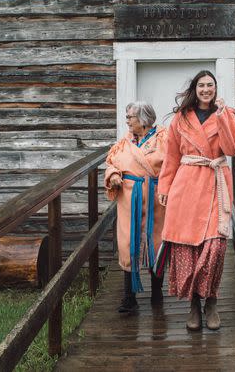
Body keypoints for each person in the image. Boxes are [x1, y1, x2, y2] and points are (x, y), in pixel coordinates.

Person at [157, 70, 235, 331]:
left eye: (211, 85)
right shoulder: (180, 118)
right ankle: (194, 304)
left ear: (216, 89)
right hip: (186, 186)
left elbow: (233, 149)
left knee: (216, 247)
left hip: (215, 183)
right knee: (188, 249)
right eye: (202, 85)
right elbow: (171, 155)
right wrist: (165, 186)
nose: (206, 89)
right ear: (195, 89)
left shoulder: (225, 114)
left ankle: (212, 301)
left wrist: (223, 117)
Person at [104, 101, 167, 313]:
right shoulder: (125, 142)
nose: (127, 120)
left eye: (130, 117)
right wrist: (113, 175)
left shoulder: (163, 139)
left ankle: (157, 293)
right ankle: (129, 298)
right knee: (127, 242)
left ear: (143, 119)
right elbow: (111, 162)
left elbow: (172, 165)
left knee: (156, 242)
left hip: (155, 198)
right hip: (129, 198)